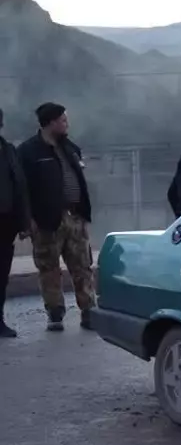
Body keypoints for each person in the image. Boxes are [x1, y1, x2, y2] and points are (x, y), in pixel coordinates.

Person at [16, 102, 96, 332]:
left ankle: (89, 309)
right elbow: (23, 189)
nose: (66, 123)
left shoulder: (70, 148)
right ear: (50, 123)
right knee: (48, 268)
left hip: (75, 217)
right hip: (46, 220)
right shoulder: (28, 152)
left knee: (82, 266)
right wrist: (27, 219)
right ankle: (55, 312)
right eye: (62, 120)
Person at [0, 108, 31, 338]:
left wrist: (23, 222)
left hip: (5, 223)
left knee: (1, 275)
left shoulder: (8, 150)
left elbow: (20, 186)